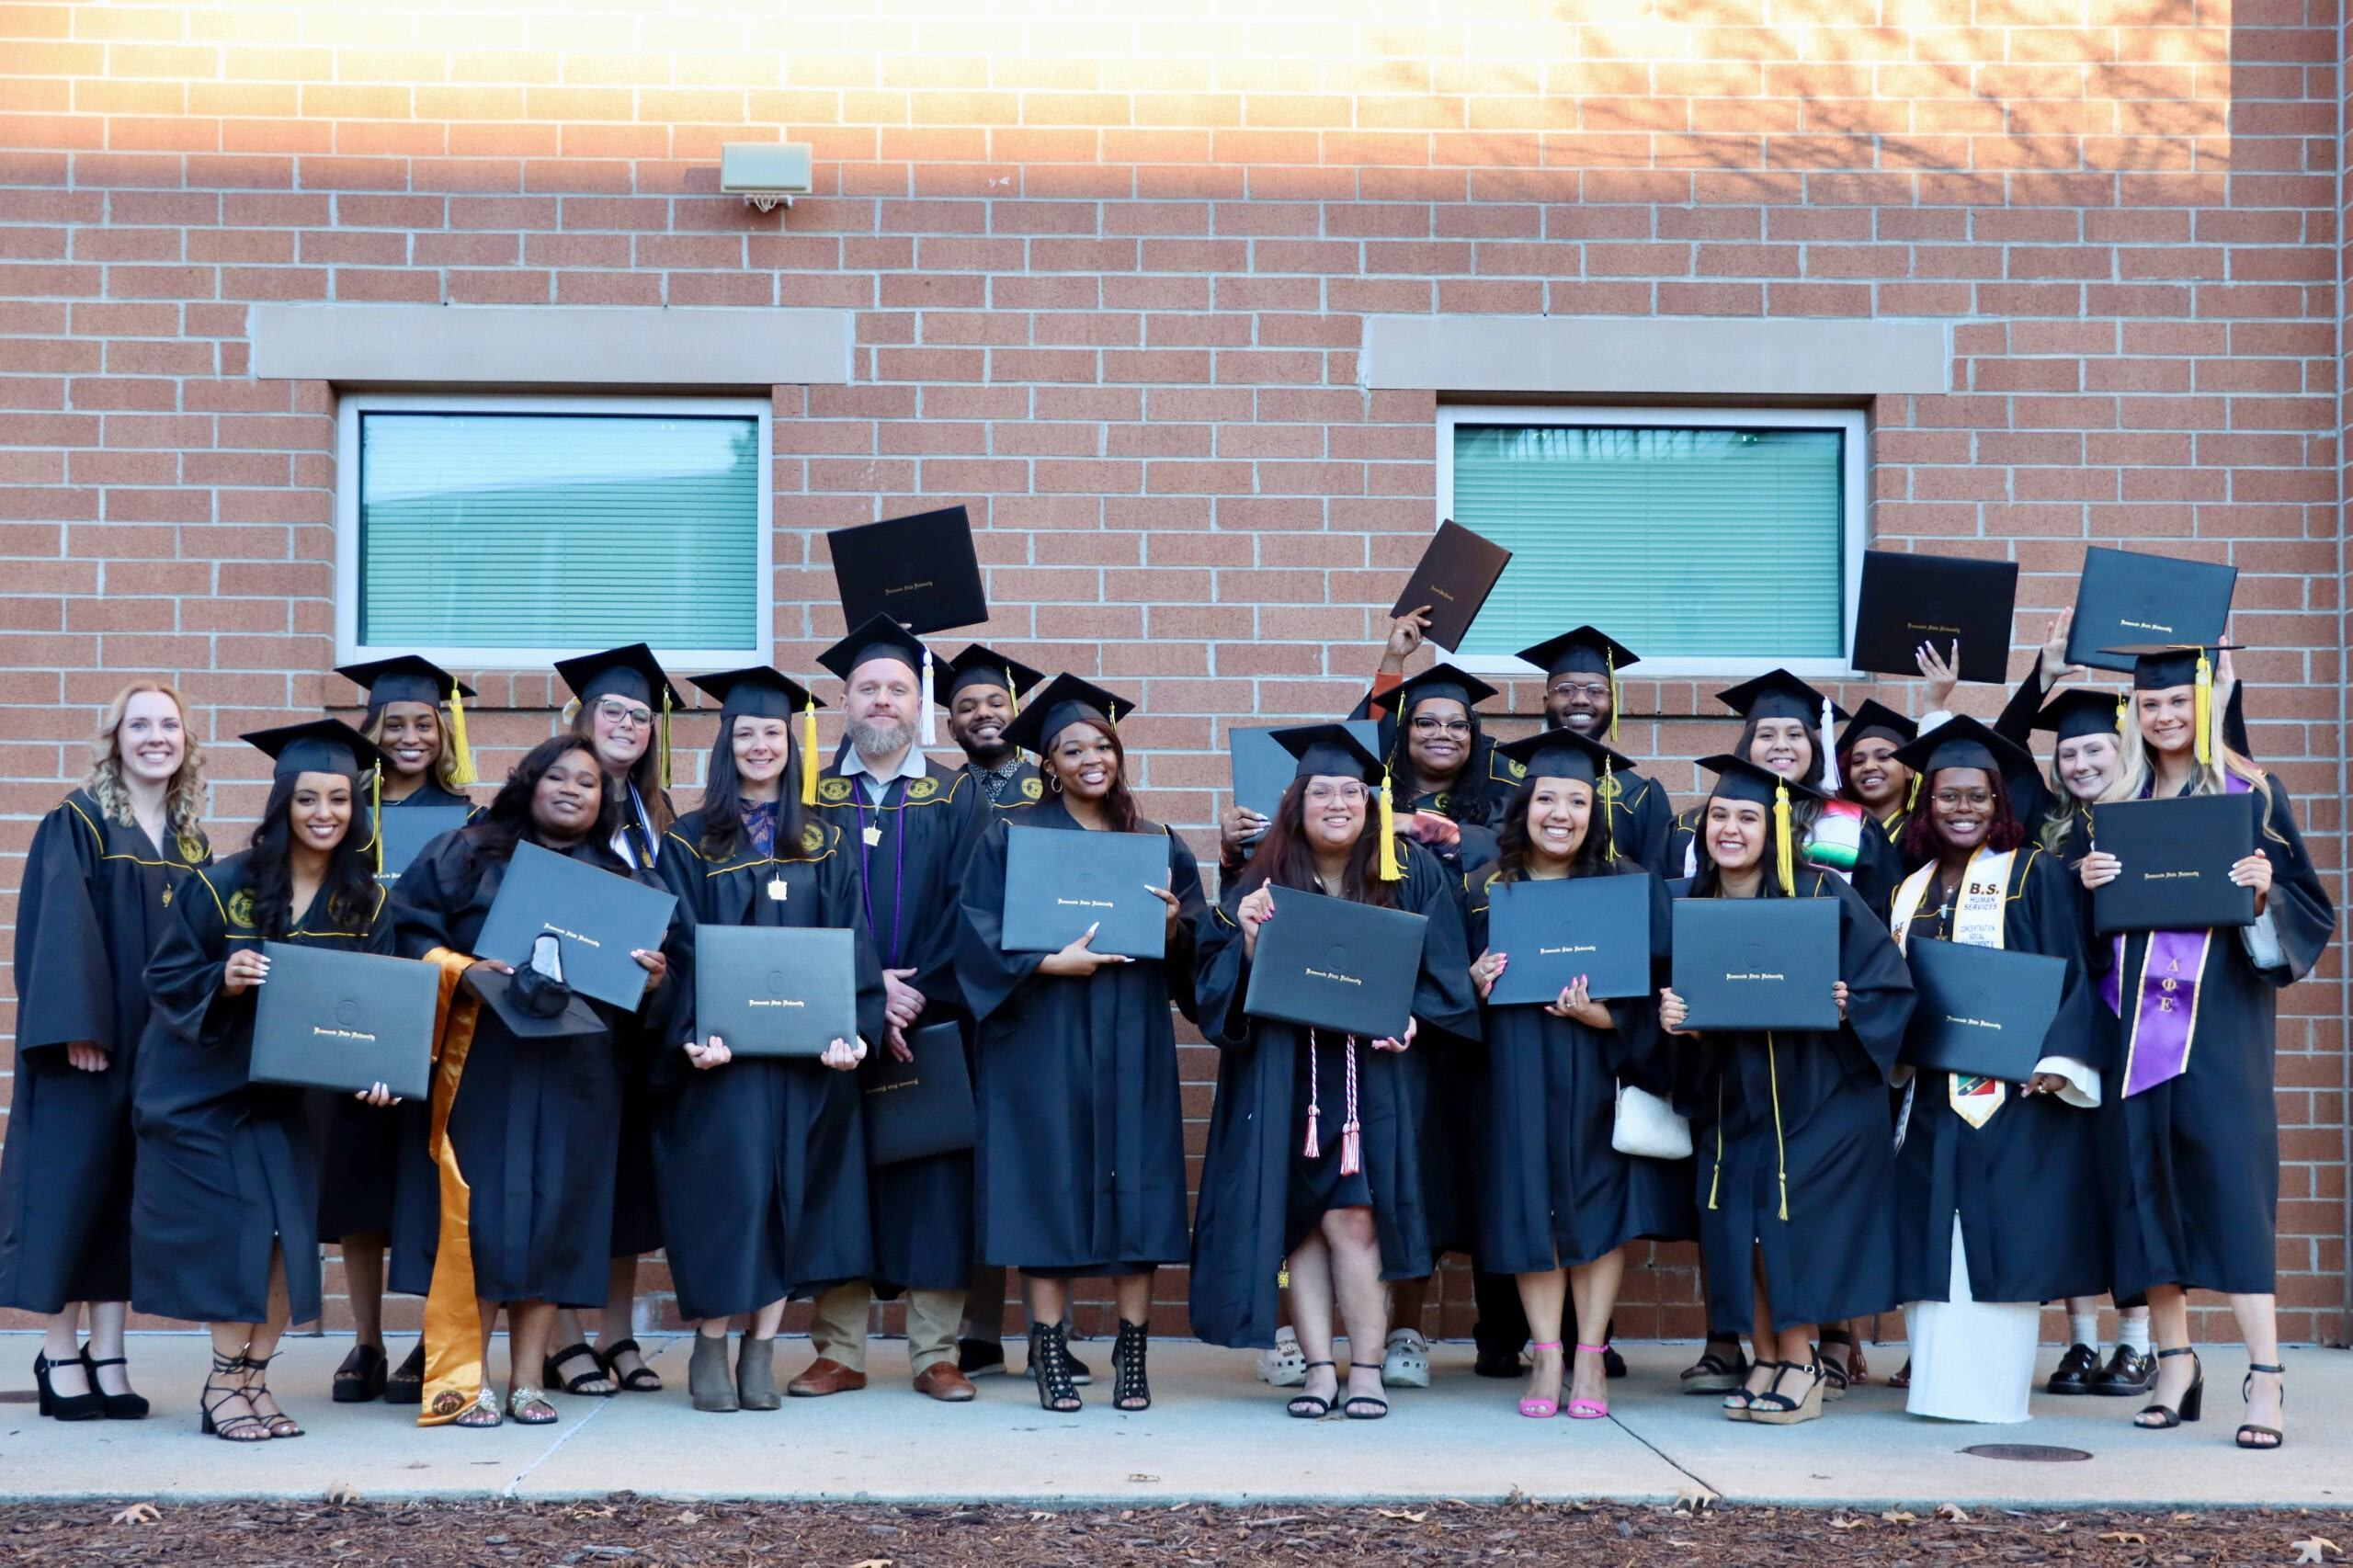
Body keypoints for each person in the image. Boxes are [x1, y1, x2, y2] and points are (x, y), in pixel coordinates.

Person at [2077, 643, 2333, 1450]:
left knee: (2231, 1183)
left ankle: (2266, 1375)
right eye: (2149, 706)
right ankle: (2176, 1364)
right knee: (2145, 1184)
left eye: (2177, 703)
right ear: (2134, 715)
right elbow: (2085, 936)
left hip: (2221, 1021)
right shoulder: (2113, 803)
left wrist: (2263, 890)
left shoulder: (2251, 793)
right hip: (2133, 1028)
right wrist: (2085, 882)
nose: (2164, 717)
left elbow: (2307, 908)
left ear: (2203, 703)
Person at [1190, 724, 1481, 1421]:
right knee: (1300, 1226)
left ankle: (1368, 1370)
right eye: (1322, 792)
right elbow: (1210, 984)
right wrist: (1252, 945)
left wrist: (1414, 1014)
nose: (1339, 803)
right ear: (1297, 804)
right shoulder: (1258, 883)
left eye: (1353, 791)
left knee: (1355, 1220)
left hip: (1372, 1077)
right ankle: (1321, 1370)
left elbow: (1444, 973)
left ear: (1372, 802)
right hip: (1284, 1069)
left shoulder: (1410, 872)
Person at [391, 736, 682, 1428]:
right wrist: (461, 969)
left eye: (588, 782)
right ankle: (470, 1380)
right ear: (530, 780)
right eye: (558, 775)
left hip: (577, 1074)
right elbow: (404, 936)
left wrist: (654, 980)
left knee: (554, 1221)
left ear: (603, 799)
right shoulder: (464, 852)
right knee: (482, 1223)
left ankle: (528, 1382)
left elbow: (649, 998)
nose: (574, 789)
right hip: (483, 1064)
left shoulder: (623, 883)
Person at [132, 720, 403, 1442]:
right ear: (283, 802)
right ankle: (224, 1382)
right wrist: (222, 977)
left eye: (340, 800)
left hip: (289, 1096)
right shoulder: (226, 886)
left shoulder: (365, 904)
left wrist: (378, 1078)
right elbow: (163, 976)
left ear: (357, 810)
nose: (325, 813)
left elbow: (376, 1008)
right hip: (204, 1089)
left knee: (291, 1233)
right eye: (309, 798)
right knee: (244, 1228)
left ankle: (253, 1379)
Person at [956, 675, 1208, 1414]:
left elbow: (1198, 940)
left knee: (1138, 1190)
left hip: (1131, 1033)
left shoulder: (1155, 841)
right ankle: (1049, 1350)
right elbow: (971, 932)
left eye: (1103, 745)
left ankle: (1133, 1358)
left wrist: (1172, 932)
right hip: (1043, 1036)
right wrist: (1043, 962)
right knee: (1046, 1187)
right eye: (1073, 748)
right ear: (1050, 764)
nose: (1091, 758)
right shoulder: (1013, 836)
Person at [654, 667, 885, 1415]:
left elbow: (854, 944)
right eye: (745, 734)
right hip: (726, 1062)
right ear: (726, 747)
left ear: (794, 746)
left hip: (806, 1062)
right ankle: (711, 1345)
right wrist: (694, 1033)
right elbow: (678, 947)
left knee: (795, 1198)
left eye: (772, 735)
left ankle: (763, 1349)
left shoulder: (824, 840)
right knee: (733, 1198)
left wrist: (855, 1030)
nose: (760, 746)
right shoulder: (690, 841)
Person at [1659, 756, 1914, 1426]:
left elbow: (1889, 985)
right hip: (1732, 1101)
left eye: (1747, 817)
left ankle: (1802, 1363)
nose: (1730, 830)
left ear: (1774, 828)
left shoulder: (1821, 893)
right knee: (1742, 1229)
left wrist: (1847, 1004)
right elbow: (1663, 1008)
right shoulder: (1687, 904)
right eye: (1719, 816)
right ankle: (1766, 1356)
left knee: (1784, 1225)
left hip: (1822, 1099)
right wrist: (1673, 1024)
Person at [1882, 718, 2108, 1424]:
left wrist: (2058, 1059)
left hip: (2008, 1097)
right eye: (1948, 796)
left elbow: (2073, 971)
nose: (1963, 809)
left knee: (2000, 1235)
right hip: (1924, 1097)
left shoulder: (2032, 875)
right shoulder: (1908, 890)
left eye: (1977, 797)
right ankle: (1937, 1392)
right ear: (1927, 804)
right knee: (1929, 1234)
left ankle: (1992, 1397)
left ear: (1998, 803)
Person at [796, 615, 993, 1403]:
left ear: (922, 703)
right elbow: (798, 910)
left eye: (899, 689)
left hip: (933, 1018)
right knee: (834, 1174)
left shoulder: (958, 792)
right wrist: (864, 988)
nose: (883, 702)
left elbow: (976, 904)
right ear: (842, 701)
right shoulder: (811, 795)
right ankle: (839, 1350)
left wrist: (910, 995)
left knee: (935, 1175)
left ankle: (933, 1353)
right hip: (832, 1016)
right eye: (868, 688)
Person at [1465, 727, 1688, 1421]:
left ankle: (1590, 1356)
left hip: (1599, 1066)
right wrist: (1469, 983)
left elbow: (1666, 987)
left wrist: (1610, 1021)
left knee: (1599, 1207)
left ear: (1596, 815)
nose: (1561, 814)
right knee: (1529, 1205)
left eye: (1577, 802)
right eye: (1547, 799)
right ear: (1523, 806)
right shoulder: (1483, 889)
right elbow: (1441, 987)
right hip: (1515, 1066)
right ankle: (1547, 1354)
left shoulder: (1628, 888)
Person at [1, 680, 210, 1424]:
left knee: (127, 1194)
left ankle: (110, 1354)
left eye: (170, 725)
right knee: (69, 1194)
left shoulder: (189, 842)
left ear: (187, 741)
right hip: (87, 1048)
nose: (157, 736)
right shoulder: (79, 822)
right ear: (115, 738)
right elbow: (59, 927)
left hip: (158, 1054)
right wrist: (76, 1027)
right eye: (140, 724)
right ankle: (59, 1352)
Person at [319, 654, 479, 1408]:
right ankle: (367, 1340)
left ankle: (426, 1340)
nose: (410, 737)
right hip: (354, 1011)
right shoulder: (338, 808)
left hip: (435, 1016)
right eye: (394, 724)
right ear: (372, 730)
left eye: (424, 723)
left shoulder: (469, 821)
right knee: (357, 1189)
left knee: (423, 1187)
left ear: (444, 733)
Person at [547, 642, 688, 1400]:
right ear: (584, 717)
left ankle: (615, 1332)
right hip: (564, 1024)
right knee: (570, 1180)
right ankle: (562, 1336)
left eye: (641, 714)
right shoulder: (554, 797)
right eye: (615, 711)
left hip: (635, 1023)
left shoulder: (655, 815)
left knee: (627, 1181)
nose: (629, 723)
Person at [1666, 670, 1905, 926]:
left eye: (1794, 735)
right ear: (1748, 746)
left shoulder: (1853, 826)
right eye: (1766, 735)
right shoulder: (1692, 829)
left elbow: (1881, 921)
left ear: (1813, 748)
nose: (1781, 745)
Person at [1509, 626, 1675, 872]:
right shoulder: (1512, 780)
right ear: (1546, 703)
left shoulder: (1640, 795)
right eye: (1566, 689)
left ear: (1612, 703)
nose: (1581, 700)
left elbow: (1656, 881)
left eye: (1596, 691)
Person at [941, 642, 1047, 811]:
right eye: (968, 708)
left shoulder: (1052, 790)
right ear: (952, 729)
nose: (983, 713)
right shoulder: (941, 797)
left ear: (1018, 717)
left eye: (996, 704)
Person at [1835, 700, 1920, 844]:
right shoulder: (1838, 833)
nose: (1869, 767)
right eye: (1857, 761)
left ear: (1909, 769)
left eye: (1883, 757)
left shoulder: (1919, 836)